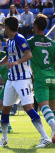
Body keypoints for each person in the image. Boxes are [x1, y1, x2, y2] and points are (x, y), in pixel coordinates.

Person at [0, 16, 52, 148]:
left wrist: (17, 62)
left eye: (4, 26)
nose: (3, 28)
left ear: (7, 27)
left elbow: (28, 54)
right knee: (5, 109)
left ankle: (45, 137)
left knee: (28, 107)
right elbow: (8, 58)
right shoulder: (9, 41)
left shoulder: (20, 39)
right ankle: (4, 138)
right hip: (11, 79)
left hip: (23, 79)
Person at [27, 14, 55, 143]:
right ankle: (54, 135)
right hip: (52, 77)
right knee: (53, 109)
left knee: (44, 107)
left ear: (35, 26)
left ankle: (53, 128)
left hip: (40, 78)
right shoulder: (52, 43)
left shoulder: (31, 42)